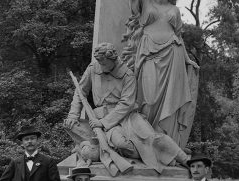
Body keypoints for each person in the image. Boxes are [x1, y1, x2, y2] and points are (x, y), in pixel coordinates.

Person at [65, 42, 189, 174]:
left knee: (150, 137)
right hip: (104, 119)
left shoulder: (127, 75)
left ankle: (184, 159)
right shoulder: (93, 68)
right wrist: (73, 114)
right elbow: (80, 92)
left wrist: (103, 122)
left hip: (127, 116)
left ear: (113, 60)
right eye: (99, 63)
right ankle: (157, 157)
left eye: (104, 63)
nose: (101, 67)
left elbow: (126, 104)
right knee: (121, 144)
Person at [123, 0, 199, 148]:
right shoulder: (145, 2)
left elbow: (179, 37)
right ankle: (145, 139)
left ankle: (164, 142)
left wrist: (187, 60)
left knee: (169, 101)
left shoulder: (175, 10)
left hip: (173, 55)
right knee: (148, 98)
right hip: (149, 54)